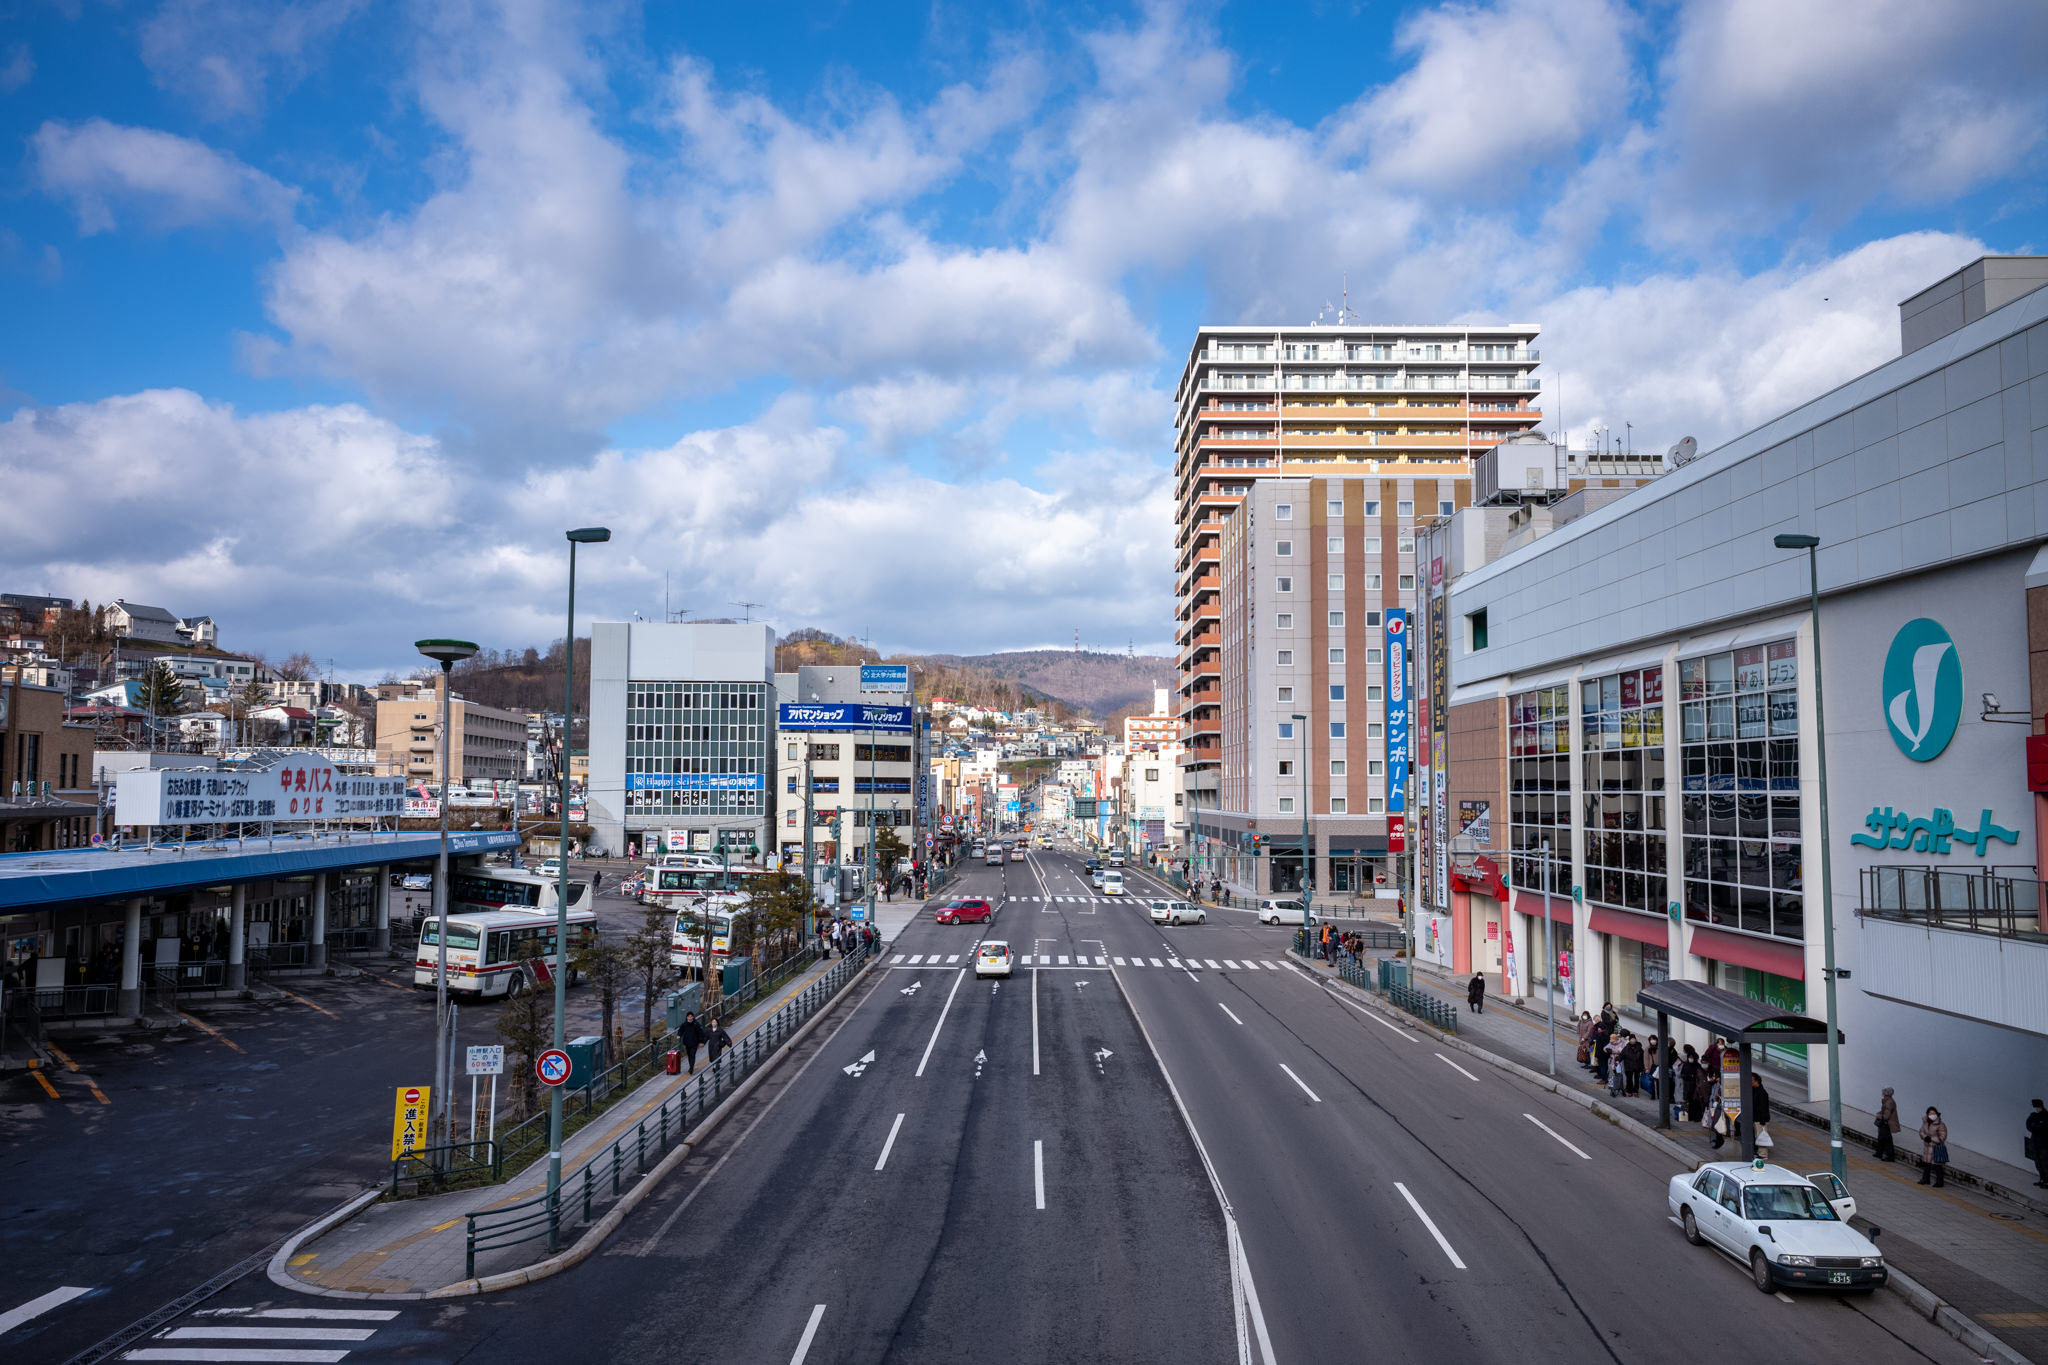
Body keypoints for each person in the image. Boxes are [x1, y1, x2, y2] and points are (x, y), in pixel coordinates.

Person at [1918, 1106, 1948, 1187]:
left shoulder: (1941, 1125)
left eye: (1933, 1113)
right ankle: (1925, 1179)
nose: (1932, 1115)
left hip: (1936, 1148)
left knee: (1937, 1166)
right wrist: (1925, 1137)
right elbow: (1921, 1131)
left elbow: (1942, 1137)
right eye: (1930, 1113)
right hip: (1927, 1148)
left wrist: (1931, 1139)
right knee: (1926, 1164)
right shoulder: (1925, 1122)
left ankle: (1939, 1182)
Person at [2026, 1099, 2048, 1188]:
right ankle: (2042, 1179)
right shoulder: (2034, 1115)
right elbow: (2028, 1125)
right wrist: (2035, 1127)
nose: (2036, 1109)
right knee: (2038, 1163)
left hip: (2043, 1144)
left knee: (2045, 1163)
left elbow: (2043, 1128)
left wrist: (2035, 1127)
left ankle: (2047, 1181)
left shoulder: (2046, 1116)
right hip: (2035, 1142)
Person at [1875, 1087, 1900, 1162]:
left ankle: (1889, 1156)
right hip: (1885, 1122)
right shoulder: (1887, 1101)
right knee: (1881, 1138)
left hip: (1886, 1123)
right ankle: (1879, 1153)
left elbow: (1887, 1114)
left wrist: (1880, 1116)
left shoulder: (1889, 1102)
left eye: (1883, 1092)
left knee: (1886, 1139)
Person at [1680, 1046, 1704, 1124]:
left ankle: (1697, 1117)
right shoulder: (1686, 1065)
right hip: (1688, 1086)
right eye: (1689, 1057)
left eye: (1692, 1057)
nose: (1690, 1058)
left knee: (1696, 1102)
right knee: (1689, 1102)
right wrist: (1688, 1076)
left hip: (1696, 1087)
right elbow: (1682, 1074)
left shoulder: (1697, 1066)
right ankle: (1690, 1116)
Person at [1751, 1075, 1773, 1155]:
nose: (1750, 1081)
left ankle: (1763, 1154)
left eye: (1752, 1080)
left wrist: (1763, 1120)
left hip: (1760, 1119)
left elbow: (1763, 1108)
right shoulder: (1754, 1090)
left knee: (1761, 1136)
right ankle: (1759, 1152)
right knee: (1758, 1136)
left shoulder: (1762, 1093)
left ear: (1757, 1081)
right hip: (1756, 1118)